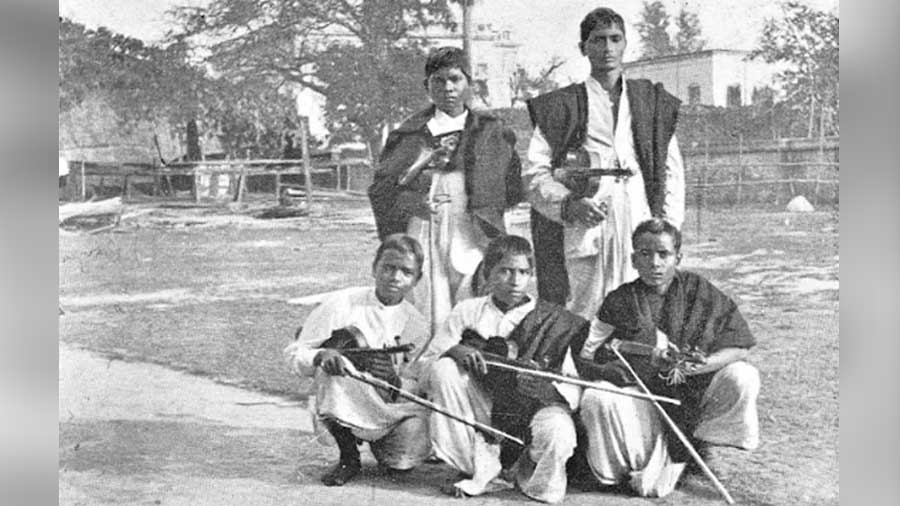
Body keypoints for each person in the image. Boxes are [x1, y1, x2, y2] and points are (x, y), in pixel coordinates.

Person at [573, 218, 760, 497]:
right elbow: (589, 353)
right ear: (634, 259)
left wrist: (697, 367)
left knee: (743, 375)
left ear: (678, 257)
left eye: (664, 254)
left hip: (694, 394)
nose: (655, 263)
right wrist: (621, 365)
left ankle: (699, 442)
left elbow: (739, 347)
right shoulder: (619, 299)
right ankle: (626, 467)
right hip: (644, 397)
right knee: (597, 398)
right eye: (645, 254)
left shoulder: (699, 290)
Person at [524, 7, 685, 320]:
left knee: (642, 308)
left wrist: (670, 227)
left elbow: (672, 171)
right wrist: (569, 205)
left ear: (625, 44)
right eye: (598, 40)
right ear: (583, 47)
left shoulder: (649, 101)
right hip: (587, 223)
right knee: (584, 310)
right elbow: (535, 174)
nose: (607, 48)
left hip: (639, 218)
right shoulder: (561, 105)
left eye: (615, 39)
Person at [368, 46, 523, 335]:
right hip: (425, 225)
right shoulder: (410, 133)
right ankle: (423, 365)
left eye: (455, 79)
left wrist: (490, 213)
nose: (448, 88)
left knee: (474, 293)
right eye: (438, 81)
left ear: (468, 84)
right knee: (426, 294)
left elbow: (511, 187)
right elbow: (382, 188)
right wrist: (408, 200)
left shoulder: (492, 130)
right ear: (427, 86)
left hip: (472, 226)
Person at [422, 235, 589, 503]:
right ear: (488, 272)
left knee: (558, 429)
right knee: (444, 369)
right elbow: (425, 366)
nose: (515, 280)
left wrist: (550, 390)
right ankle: (479, 469)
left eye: (523, 272)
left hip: (533, 408)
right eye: (505, 271)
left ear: (531, 275)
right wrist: (455, 351)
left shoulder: (555, 319)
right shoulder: (467, 311)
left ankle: (533, 484)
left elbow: (575, 384)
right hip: (482, 409)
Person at [283, 234, 436, 486]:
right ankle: (348, 456)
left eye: (406, 272)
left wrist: (393, 379)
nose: (395, 277)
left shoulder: (417, 324)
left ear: (417, 279)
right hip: (344, 393)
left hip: (388, 405)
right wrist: (322, 355)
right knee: (335, 371)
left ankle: (384, 449)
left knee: (402, 462)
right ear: (374, 268)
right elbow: (294, 354)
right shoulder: (342, 303)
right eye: (388, 267)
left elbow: (413, 382)